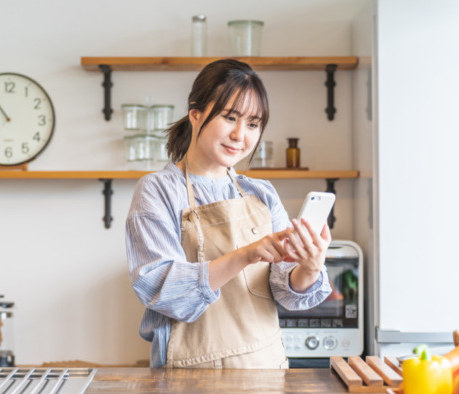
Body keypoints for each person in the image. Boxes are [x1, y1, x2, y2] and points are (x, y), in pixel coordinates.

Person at [125, 59, 332, 369]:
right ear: (195, 115)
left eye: (252, 123)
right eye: (230, 117)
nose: (240, 134)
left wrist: (311, 266)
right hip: (190, 376)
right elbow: (164, 292)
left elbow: (285, 290)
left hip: (264, 369)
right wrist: (245, 255)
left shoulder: (260, 193)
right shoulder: (157, 190)